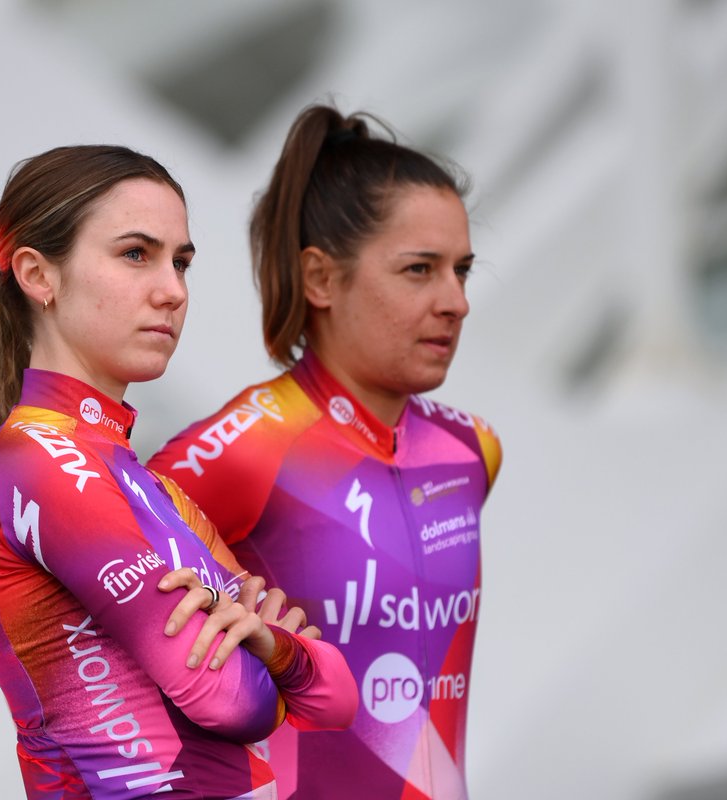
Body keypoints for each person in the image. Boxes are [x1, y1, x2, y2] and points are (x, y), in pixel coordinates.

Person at [0, 145, 356, 799]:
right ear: (39, 275)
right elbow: (231, 700)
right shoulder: (36, 458)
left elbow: (337, 698)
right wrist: (272, 654)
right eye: (135, 254)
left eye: (180, 262)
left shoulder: (146, 487)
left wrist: (271, 647)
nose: (173, 290)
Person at [149, 105, 502, 799]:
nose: (455, 301)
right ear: (320, 279)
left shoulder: (471, 450)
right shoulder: (248, 445)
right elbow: (87, 609)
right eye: (419, 270)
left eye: (461, 270)